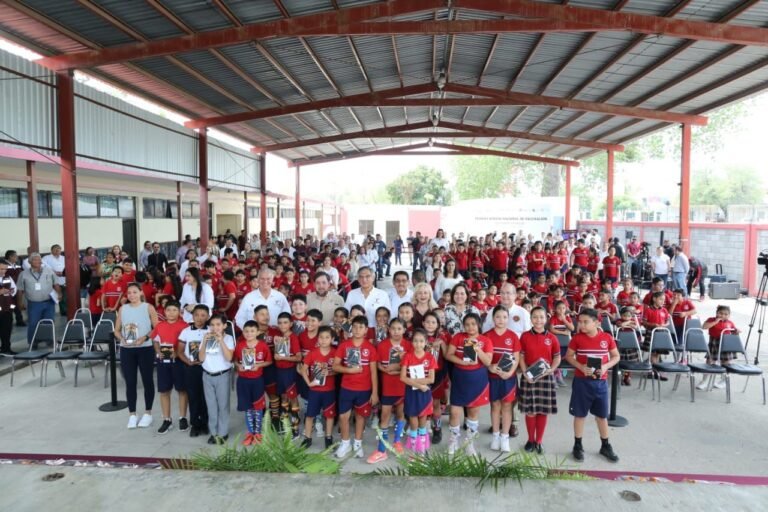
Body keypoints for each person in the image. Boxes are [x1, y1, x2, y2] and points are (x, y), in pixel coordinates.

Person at [566, 308, 621, 463]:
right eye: (580, 321)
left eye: (586, 322)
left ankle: (605, 445)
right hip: (582, 382)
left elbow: (616, 356)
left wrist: (605, 366)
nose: (581, 325)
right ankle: (577, 445)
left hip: (601, 382)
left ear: (597, 322)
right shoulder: (577, 338)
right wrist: (581, 367)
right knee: (580, 414)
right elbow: (569, 356)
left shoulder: (607, 338)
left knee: (602, 416)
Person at [445, 312, 493, 456]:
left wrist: (478, 349)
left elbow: (488, 362)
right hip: (460, 378)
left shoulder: (485, 340)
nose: (470, 327)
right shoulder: (458, 337)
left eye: (473, 324)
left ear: (478, 324)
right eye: (467, 324)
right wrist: (462, 362)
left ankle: (469, 442)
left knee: (472, 413)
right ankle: (453, 440)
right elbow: (448, 355)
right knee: (454, 412)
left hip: (477, 380)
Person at [333, 315, 379, 459]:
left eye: (361, 327)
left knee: (360, 417)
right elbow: (335, 366)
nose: (358, 329)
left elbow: (373, 372)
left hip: (364, 389)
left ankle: (357, 443)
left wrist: (375, 392)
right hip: (347, 388)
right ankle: (345, 443)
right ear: (351, 328)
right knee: (343, 417)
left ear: (366, 330)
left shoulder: (370, 348)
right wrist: (349, 370)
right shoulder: (344, 345)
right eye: (355, 326)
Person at [115, 282, 158, 430]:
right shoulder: (123, 309)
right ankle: (132, 414)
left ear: (140, 292)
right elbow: (116, 329)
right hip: (127, 349)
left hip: (145, 348)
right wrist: (121, 338)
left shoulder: (148, 307)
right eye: (129, 293)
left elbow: (156, 328)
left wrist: (145, 338)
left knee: (147, 380)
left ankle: (148, 413)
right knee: (130, 382)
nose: (131, 295)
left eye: (134, 292)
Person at [368, 319, 411, 464]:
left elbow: (410, 365)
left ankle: (397, 441)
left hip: (402, 385)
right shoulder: (382, 345)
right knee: (384, 417)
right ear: (388, 329)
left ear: (404, 330)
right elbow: (378, 364)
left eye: (399, 328)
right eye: (393, 328)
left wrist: (396, 370)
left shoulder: (409, 346)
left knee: (400, 413)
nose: (396, 331)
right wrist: (384, 369)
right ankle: (381, 450)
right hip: (387, 387)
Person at [518, 307, 561, 453]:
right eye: (535, 317)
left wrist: (552, 369)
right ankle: (530, 440)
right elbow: (521, 356)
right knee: (530, 411)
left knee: (543, 411)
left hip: (545, 376)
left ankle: (539, 441)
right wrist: (524, 372)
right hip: (529, 375)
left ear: (546, 318)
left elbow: (557, 357)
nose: (538, 320)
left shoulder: (552, 338)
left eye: (541, 317)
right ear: (530, 319)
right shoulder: (524, 336)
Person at [484, 306, 521, 453]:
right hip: (493, 377)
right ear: (493, 318)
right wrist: (489, 367)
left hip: (508, 378)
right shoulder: (487, 336)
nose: (501, 320)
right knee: (495, 406)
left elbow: (516, 358)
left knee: (507, 406)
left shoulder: (512, 336)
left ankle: (505, 437)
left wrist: (510, 371)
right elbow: (483, 357)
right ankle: (495, 436)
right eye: (498, 317)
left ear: (508, 319)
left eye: (504, 317)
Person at [150, 300, 189, 434]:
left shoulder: (185, 326)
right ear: (164, 312)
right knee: (164, 391)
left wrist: (178, 354)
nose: (171, 313)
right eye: (168, 310)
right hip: (163, 362)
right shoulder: (160, 326)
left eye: (174, 310)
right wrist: (158, 351)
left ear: (179, 312)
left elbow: (188, 345)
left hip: (179, 362)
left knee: (182, 390)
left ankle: (182, 417)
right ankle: (167, 419)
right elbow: (155, 340)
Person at [234, 319, 272, 446]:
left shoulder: (262, 346)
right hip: (243, 380)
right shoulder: (240, 345)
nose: (249, 333)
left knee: (258, 407)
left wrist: (258, 365)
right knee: (248, 407)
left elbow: (269, 362)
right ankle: (250, 432)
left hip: (257, 381)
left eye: (252, 331)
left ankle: (258, 433)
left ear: (257, 332)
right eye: (246, 331)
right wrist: (238, 366)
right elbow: (236, 360)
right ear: (243, 332)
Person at [198, 313, 235, 444]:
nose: (215, 327)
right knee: (211, 406)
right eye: (212, 325)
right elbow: (201, 358)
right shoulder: (206, 337)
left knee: (223, 405)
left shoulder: (229, 338)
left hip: (222, 375)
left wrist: (221, 341)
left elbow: (229, 358)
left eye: (218, 324)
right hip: (207, 375)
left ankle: (223, 432)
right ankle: (213, 432)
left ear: (224, 325)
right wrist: (204, 342)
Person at [400, 328, 437, 454]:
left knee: (423, 417)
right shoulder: (408, 356)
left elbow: (431, 379)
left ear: (426, 342)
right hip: (412, 392)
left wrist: (419, 384)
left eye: (421, 341)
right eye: (415, 341)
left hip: (424, 393)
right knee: (412, 416)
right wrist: (419, 385)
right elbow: (403, 377)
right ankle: (413, 444)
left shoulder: (430, 357)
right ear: (412, 342)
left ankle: (421, 446)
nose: (418, 344)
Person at [300, 325, 337, 449]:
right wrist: (308, 383)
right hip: (315, 390)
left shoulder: (335, 353)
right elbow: (303, 369)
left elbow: (339, 370)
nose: (324, 340)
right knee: (310, 415)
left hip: (329, 390)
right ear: (318, 339)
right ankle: (308, 438)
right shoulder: (312, 353)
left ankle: (328, 438)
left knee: (329, 415)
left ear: (332, 339)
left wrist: (330, 372)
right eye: (321, 337)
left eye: (327, 337)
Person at [177, 305, 211, 438]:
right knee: (193, 396)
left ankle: (205, 423)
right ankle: (195, 425)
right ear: (193, 316)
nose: (199, 318)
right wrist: (188, 361)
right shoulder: (186, 331)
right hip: (191, 368)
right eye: (197, 315)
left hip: (207, 368)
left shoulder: (210, 331)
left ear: (208, 317)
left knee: (206, 397)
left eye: (203, 315)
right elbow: (180, 352)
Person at [17, 253, 60, 346]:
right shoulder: (23, 274)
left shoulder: (48, 271)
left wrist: (59, 293)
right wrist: (20, 303)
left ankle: (50, 341)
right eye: (35, 260)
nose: (38, 261)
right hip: (33, 304)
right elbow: (20, 290)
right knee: (33, 323)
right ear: (29, 262)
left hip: (49, 302)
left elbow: (56, 283)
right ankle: (33, 343)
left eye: (39, 259)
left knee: (49, 322)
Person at [273, 312, 302, 436]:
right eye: (280, 323)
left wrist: (283, 358)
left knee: (293, 398)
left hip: (290, 372)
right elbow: (277, 355)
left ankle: (295, 426)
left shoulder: (293, 338)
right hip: (279, 372)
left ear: (291, 324)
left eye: (285, 322)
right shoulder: (279, 337)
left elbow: (298, 357)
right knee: (283, 397)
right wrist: (275, 347)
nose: (282, 325)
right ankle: (285, 424)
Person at [699, 305, 739, 390]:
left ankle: (723, 381)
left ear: (729, 315)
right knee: (709, 362)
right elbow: (704, 327)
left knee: (726, 363)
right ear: (716, 313)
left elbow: (734, 332)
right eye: (721, 313)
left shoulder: (730, 323)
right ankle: (704, 381)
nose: (723, 316)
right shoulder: (711, 319)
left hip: (726, 345)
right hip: (714, 343)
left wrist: (736, 331)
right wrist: (715, 322)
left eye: (726, 314)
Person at [42, 244, 67, 316]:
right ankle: (50, 312)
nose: (57, 251)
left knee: (64, 297)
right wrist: (54, 272)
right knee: (53, 297)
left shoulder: (63, 258)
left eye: (59, 249)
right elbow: (44, 266)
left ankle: (64, 311)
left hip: (63, 279)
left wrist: (63, 273)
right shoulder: (46, 258)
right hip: (52, 281)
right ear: (51, 250)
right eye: (55, 249)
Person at [0, 259, 18, 354]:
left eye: (5, 269)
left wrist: (9, 291)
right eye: (1, 269)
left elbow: (14, 289)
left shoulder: (8, 277)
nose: (4, 271)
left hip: (6, 309)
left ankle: (6, 348)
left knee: (6, 330)